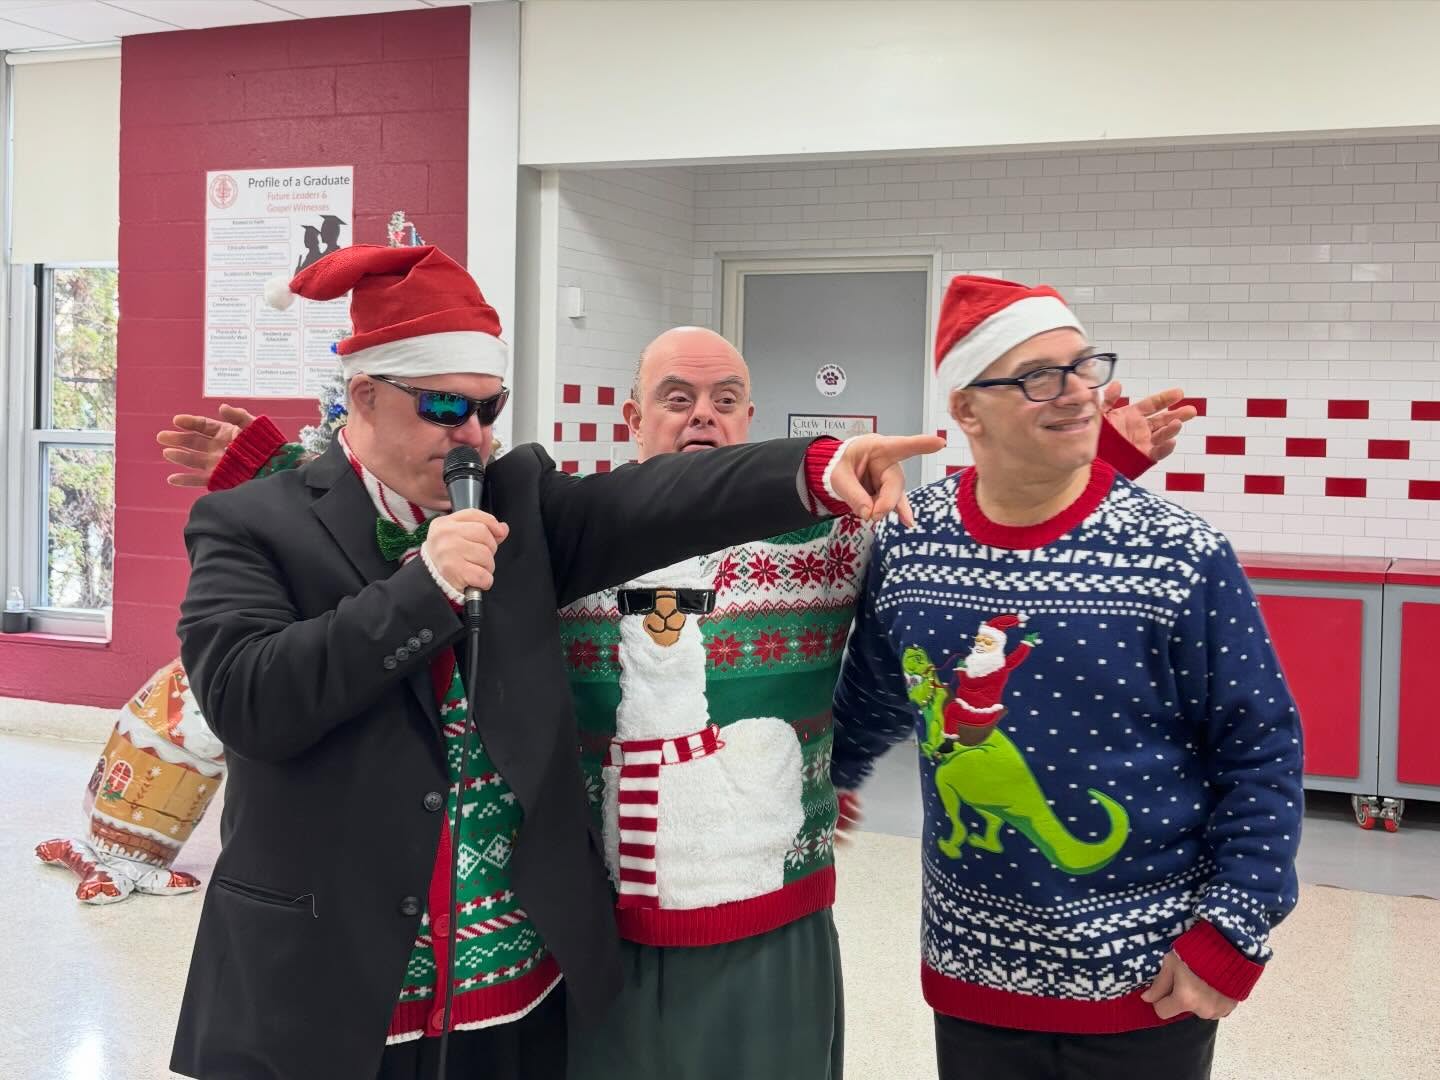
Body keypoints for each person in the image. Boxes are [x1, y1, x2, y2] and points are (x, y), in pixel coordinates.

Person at [166, 317, 1196, 1080]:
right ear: (632, 417)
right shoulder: (555, 536)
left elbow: (962, 559)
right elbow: (384, 523)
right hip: (589, 925)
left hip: (766, 919)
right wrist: (277, 469)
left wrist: (1093, 459)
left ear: (752, 419)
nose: (703, 414)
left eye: (726, 398)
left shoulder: (833, 531)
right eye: (676, 396)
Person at [830, 275, 1304, 1080]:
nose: (1080, 391)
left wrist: (1232, 929)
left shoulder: (1178, 553)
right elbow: (871, 698)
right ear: (967, 410)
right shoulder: (912, 543)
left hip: (1148, 982)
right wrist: (816, 787)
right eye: (1039, 377)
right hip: (972, 975)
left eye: (1084, 366)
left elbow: (1261, 751)